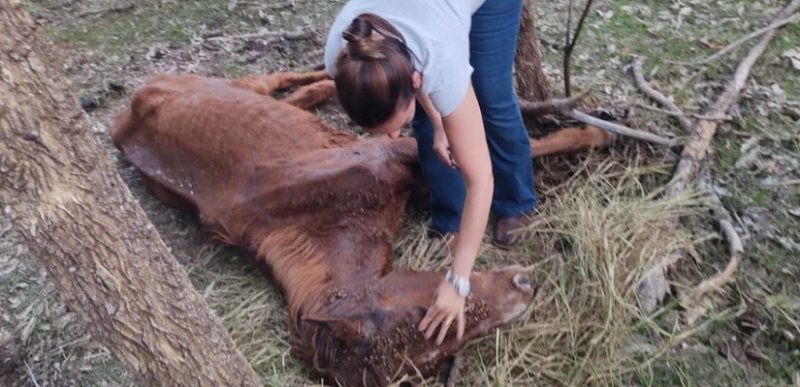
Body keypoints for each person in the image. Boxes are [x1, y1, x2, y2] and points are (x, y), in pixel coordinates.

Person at [323, 0, 536, 345]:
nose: (394, 137)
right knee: (427, 119)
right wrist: (438, 121)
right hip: (427, 19)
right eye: (384, 130)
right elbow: (411, 67)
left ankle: (516, 201)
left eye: (397, 125)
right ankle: (451, 221)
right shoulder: (343, 54)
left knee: (491, 97)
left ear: (416, 79)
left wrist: (458, 282)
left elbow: (480, 180)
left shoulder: (441, 57)